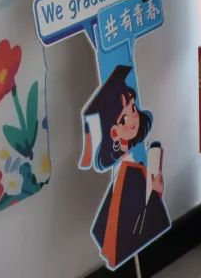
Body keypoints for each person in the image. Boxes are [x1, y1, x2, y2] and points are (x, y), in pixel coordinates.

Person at [83, 65, 171, 269]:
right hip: (128, 226)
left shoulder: (131, 169)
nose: (133, 118)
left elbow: (146, 201)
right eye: (124, 118)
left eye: (133, 109)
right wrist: (154, 188)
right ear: (114, 133)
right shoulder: (127, 172)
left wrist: (154, 186)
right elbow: (141, 208)